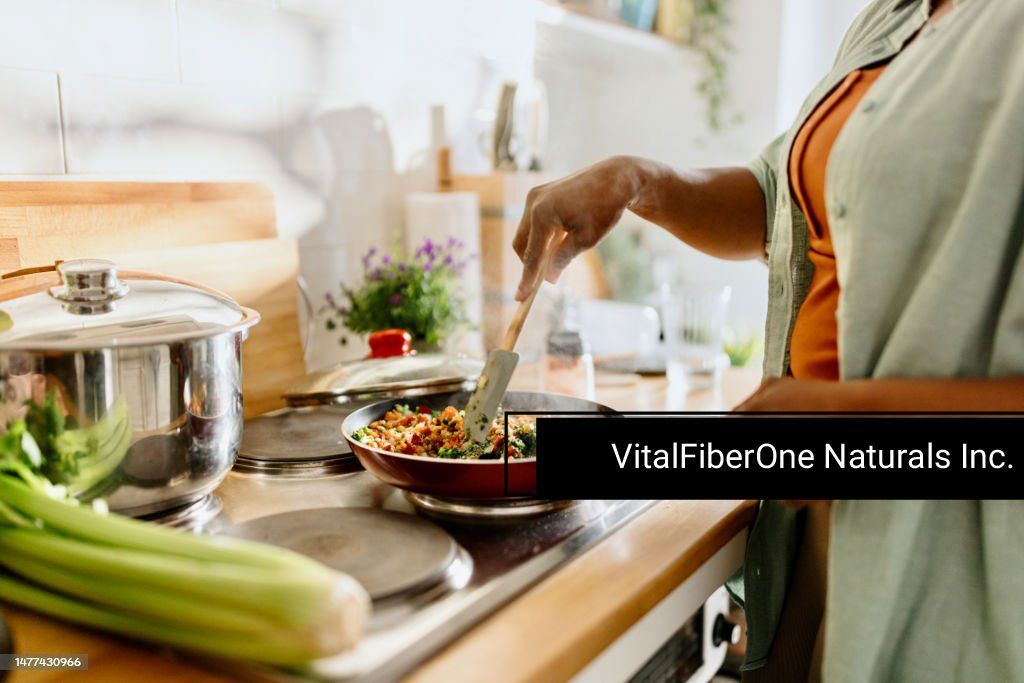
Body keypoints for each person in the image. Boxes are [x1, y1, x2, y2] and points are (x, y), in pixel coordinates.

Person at [512, 0, 1024, 680]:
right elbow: (779, 197)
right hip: (821, 513)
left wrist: (854, 415)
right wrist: (634, 178)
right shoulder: (896, 16)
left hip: (952, 544)